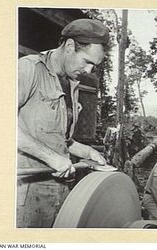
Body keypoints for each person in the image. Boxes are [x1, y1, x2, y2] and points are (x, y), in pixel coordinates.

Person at [17, 19, 110, 227]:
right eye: (87, 61)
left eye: (94, 66)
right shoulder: (28, 69)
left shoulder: (71, 84)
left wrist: (86, 152)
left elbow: (57, 138)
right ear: (69, 46)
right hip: (28, 193)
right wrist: (52, 158)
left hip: (61, 190)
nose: (88, 71)